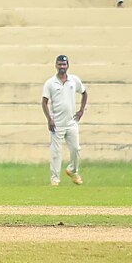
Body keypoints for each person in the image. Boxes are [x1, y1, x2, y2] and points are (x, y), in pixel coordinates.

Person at [41, 55, 87, 186]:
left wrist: (81, 110)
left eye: (64, 65)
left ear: (68, 66)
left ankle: (72, 170)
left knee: (76, 149)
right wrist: (49, 119)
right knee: (55, 152)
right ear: (56, 65)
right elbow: (44, 102)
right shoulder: (50, 83)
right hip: (57, 124)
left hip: (71, 122)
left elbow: (84, 93)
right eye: (60, 64)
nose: (62, 67)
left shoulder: (74, 80)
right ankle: (55, 179)